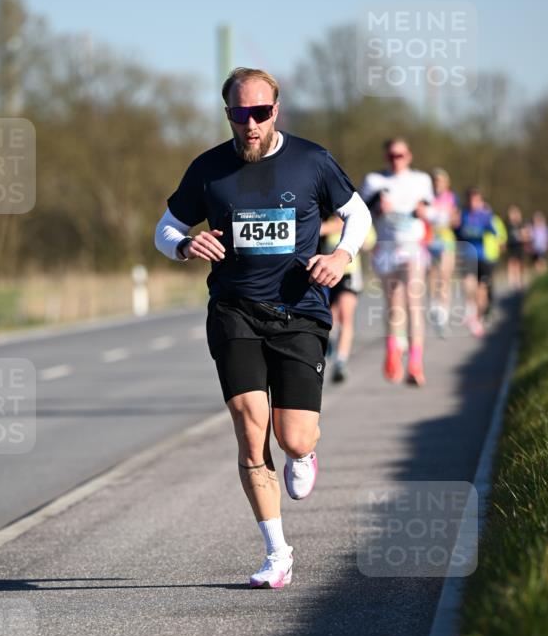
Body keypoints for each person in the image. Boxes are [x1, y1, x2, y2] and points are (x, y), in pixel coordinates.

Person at [154, 67, 371, 589]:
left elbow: (357, 213)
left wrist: (341, 255)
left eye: (260, 113)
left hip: (299, 310)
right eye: (238, 114)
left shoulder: (312, 161)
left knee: (291, 436)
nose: (250, 124)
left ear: (277, 110)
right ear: (227, 113)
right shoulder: (208, 169)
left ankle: (305, 452)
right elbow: (165, 229)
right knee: (250, 428)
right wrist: (184, 245)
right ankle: (277, 552)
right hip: (235, 309)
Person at [360, 138, 433, 386]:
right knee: (394, 305)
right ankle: (393, 347)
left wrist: (425, 213)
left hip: (413, 248)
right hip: (387, 250)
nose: (396, 160)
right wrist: (378, 209)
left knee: (414, 303)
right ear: (386, 158)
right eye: (392, 156)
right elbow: (359, 213)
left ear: (409, 156)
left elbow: (435, 212)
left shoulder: (421, 181)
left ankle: (415, 362)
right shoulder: (374, 181)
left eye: (400, 155)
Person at [320, 215, 375, 381]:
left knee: (346, 314)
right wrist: (331, 227)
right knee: (330, 316)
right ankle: (328, 341)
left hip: (348, 272)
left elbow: (368, 242)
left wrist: (348, 230)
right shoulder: (325, 215)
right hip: (324, 272)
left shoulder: (356, 215)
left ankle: (340, 362)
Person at [452, 188, 499, 336]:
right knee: (468, 284)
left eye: (476, 200)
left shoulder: (485, 216)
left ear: (480, 201)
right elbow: (456, 232)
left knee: (481, 292)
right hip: (468, 256)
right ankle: (472, 314)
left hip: (483, 257)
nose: (473, 203)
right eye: (470, 200)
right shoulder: (463, 215)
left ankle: (480, 315)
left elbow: (495, 233)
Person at [427, 168, 459, 337]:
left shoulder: (452, 197)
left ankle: (443, 316)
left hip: (446, 240)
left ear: (446, 183)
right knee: (432, 276)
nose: (437, 183)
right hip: (430, 239)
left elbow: (456, 220)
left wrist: (451, 219)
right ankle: (434, 305)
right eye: (435, 180)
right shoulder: (427, 197)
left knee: (445, 277)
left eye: (440, 180)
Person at [505, 205, 527, 291]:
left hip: (519, 247)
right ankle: (512, 281)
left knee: (518, 264)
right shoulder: (508, 226)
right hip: (511, 247)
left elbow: (526, 236)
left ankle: (518, 281)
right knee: (511, 264)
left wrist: (522, 237)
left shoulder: (521, 225)